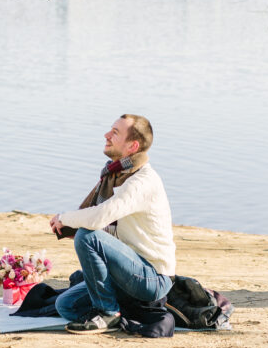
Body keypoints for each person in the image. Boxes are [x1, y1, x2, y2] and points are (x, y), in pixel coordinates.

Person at [49, 114, 176, 334]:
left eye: (115, 133)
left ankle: (107, 313)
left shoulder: (142, 181)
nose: (107, 135)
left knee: (88, 237)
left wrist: (64, 219)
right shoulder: (117, 175)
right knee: (65, 305)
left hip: (152, 277)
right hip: (127, 270)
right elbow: (107, 221)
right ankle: (118, 308)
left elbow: (100, 217)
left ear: (132, 146)